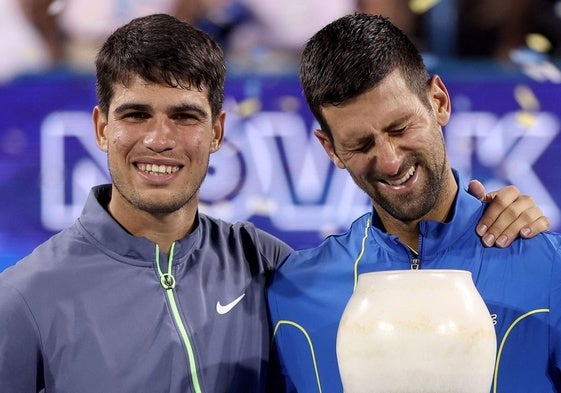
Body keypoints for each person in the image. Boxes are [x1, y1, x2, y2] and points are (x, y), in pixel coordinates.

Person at [0, 12, 550, 393]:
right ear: (329, 148)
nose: (387, 159)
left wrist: (514, 224)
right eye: (135, 115)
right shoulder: (23, 296)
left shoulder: (268, 268)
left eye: (185, 116)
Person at [267, 13, 561, 393]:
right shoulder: (292, 292)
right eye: (361, 144)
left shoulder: (549, 268)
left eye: (400, 127)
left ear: (438, 101)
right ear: (331, 149)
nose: (389, 160)